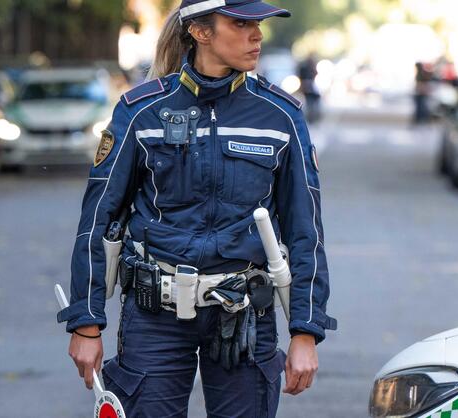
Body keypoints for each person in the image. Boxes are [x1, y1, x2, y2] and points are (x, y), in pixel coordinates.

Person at [56, 1, 336, 416]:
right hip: (154, 318)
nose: (257, 34)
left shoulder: (281, 116)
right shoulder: (141, 111)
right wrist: (86, 321)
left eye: (258, 24)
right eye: (240, 23)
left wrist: (305, 331)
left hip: (244, 315)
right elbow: (99, 219)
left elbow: (305, 231)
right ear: (201, 32)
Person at [297, 54, 320, 122]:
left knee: (313, 105)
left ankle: (313, 117)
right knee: (309, 104)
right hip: (307, 90)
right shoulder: (304, 68)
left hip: (312, 90)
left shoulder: (312, 68)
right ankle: (311, 117)